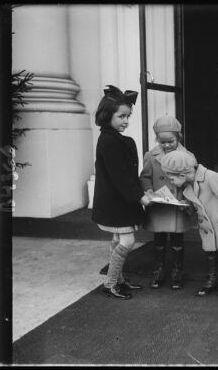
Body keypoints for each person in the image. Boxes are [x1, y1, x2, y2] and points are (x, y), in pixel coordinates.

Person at [91, 85, 151, 300]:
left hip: (119, 201)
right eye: (121, 116)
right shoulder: (109, 141)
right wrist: (140, 197)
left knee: (119, 239)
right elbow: (120, 177)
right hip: (115, 202)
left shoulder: (118, 140)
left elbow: (127, 175)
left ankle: (118, 279)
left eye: (129, 116)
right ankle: (110, 283)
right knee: (127, 242)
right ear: (108, 116)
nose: (126, 120)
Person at [159, 150, 218, 297]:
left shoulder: (211, 177)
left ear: (181, 174)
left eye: (171, 179)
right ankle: (211, 279)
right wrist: (184, 206)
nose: (170, 182)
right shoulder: (188, 185)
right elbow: (195, 204)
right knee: (210, 253)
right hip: (206, 226)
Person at [139, 116, 195, 290]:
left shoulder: (188, 156)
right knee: (159, 242)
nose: (167, 145)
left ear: (179, 137)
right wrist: (148, 191)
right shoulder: (151, 155)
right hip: (159, 206)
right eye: (162, 142)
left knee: (178, 242)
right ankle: (159, 271)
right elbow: (145, 177)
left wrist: (188, 197)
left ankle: (177, 272)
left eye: (170, 141)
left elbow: (193, 179)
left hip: (177, 204)